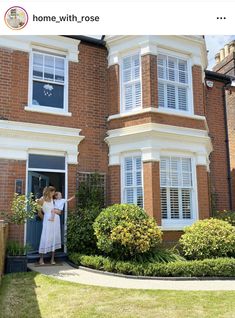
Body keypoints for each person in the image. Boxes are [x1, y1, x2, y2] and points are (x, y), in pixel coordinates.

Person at [37, 186, 61, 265]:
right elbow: (39, 212)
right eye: (53, 192)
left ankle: (52, 259)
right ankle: (41, 259)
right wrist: (45, 219)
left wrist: (57, 212)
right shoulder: (41, 200)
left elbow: (59, 211)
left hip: (55, 221)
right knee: (45, 238)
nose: (54, 194)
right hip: (47, 220)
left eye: (54, 192)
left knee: (53, 238)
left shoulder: (53, 200)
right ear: (48, 192)